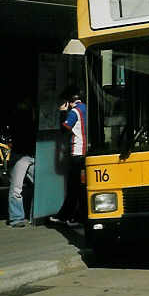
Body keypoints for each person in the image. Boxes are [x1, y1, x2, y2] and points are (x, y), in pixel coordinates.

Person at [50, 91, 86, 226]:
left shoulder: (74, 112)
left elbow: (64, 128)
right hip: (86, 152)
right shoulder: (86, 108)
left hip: (77, 152)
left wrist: (62, 112)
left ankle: (66, 216)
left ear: (68, 101)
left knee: (73, 187)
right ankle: (76, 216)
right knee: (80, 187)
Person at [7, 98, 37, 228]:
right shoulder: (31, 123)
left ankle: (16, 218)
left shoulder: (16, 123)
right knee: (38, 186)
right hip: (29, 155)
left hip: (20, 155)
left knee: (16, 188)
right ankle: (20, 217)